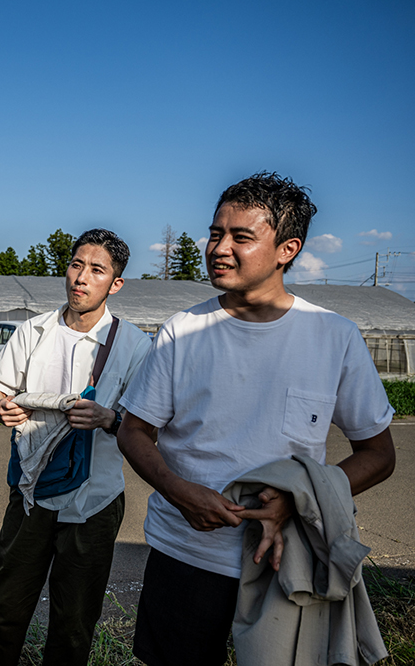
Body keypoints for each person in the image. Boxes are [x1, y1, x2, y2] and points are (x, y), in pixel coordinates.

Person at [118, 172, 396, 666]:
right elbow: (134, 431)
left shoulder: (334, 337)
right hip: (186, 554)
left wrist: (299, 500)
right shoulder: (182, 331)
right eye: (215, 233)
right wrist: (179, 492)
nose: (219, 248)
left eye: (240, 237)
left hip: (286, 560)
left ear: (288, 249)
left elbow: (379, 454)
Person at [0, 228, 152, 665]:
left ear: (115, 283)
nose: (81, 277)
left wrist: (108, 419)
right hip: (31, 492)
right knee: (4, 607)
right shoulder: (34, 331)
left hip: (95, 500)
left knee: (74, 620)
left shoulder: (135, 345)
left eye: (97, 270)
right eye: (77, 264)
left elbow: (148, 427)